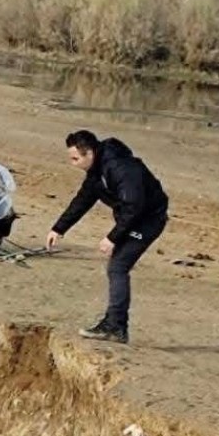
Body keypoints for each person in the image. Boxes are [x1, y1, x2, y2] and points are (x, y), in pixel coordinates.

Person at [46, 129, 168, 345]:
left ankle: (116, 327)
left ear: (89, 153)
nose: (72, 164)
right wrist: (58, 229)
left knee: (118, 267)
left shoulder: (121, 168)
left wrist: (112, 238)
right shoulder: (97, 171)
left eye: (75, 159)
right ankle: (114, 323)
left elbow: (134, 206)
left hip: (148, 219)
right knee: (116, 266)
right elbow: (83, 200)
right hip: (133, 217)